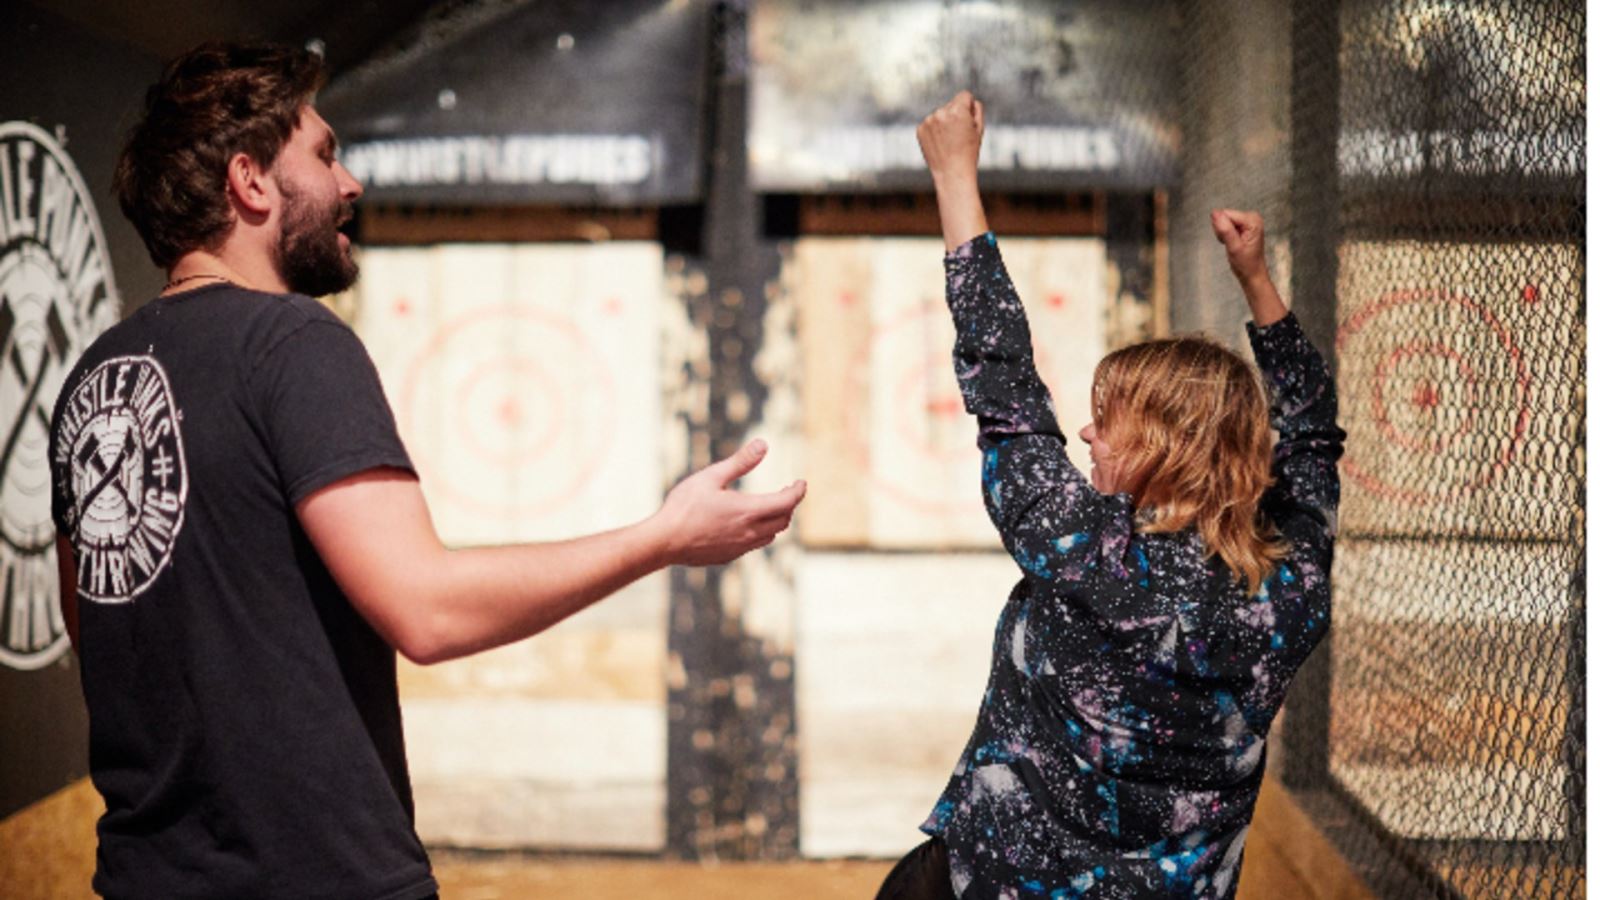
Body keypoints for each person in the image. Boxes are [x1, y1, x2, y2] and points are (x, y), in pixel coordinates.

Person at [47, 41, 805, 900]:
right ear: (250, 182)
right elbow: (428, 611)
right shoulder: (293, 345)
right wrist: (663, 538)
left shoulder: (90, 383)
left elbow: (99, 628)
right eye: (324, 155)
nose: (350, 184)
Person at [878, 92, 1344, 899]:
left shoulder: (1083, 549)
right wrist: (1257, 281)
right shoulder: (1292, 582)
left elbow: (1003, 384)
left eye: (1105, 424)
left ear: (1163, 449)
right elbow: (1313, 437)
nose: (1086, 438)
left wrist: (955, 174)